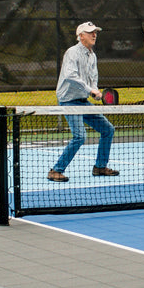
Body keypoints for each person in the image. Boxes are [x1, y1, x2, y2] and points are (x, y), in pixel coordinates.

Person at [48, 21, 119, 182]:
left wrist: (95, 91)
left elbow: (93, 79)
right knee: (80, 136)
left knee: (108, 129)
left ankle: (100, 167)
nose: (94, 34)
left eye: (95, 32)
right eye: (90, 32)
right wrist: (90, 90)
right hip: (68, 101)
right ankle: (55, 170)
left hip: (83, 101)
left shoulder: (92, 55)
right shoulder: (72, 53)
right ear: (81, 36)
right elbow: (70, 76)